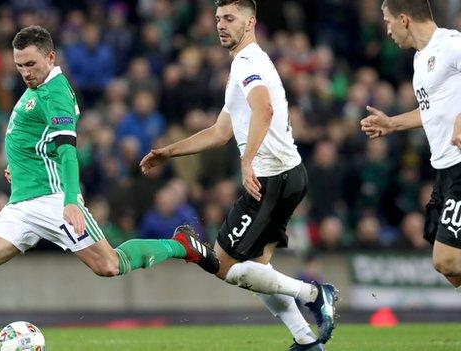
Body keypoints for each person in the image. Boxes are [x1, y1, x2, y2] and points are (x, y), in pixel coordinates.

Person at [0, 26, 218, 351]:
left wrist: (71, 200)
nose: (24, 72)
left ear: (50, 57)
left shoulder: (56, 93)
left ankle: (181, 245)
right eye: (19, 65)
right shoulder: (35, 90)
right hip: (20, 204)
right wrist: (19, 168)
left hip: (53, 200)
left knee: (110, 265)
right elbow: (40, 142)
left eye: (30, 64)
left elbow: (67, 150)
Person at [140, 1, 337, 350]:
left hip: (269, 178)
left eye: (230, 18)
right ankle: (307, 340)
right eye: (218, 18)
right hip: (288, 175)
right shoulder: (242, 66)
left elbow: (264, 107)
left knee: (223, 265)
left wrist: (247, 163)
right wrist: (168, 152)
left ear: (251, 23)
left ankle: (314, 293)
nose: (221, 25)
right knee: (259, 272)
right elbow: (219, 132)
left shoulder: (249, 63)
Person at [361, 0, 461, 292]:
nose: (386, 29)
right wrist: (392, 124)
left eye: (387, 20)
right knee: (451, 270)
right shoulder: (421, 59)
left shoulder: (451, 44)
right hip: (444, 170)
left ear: (404, 19)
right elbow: (432, 110)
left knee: (447, 260)